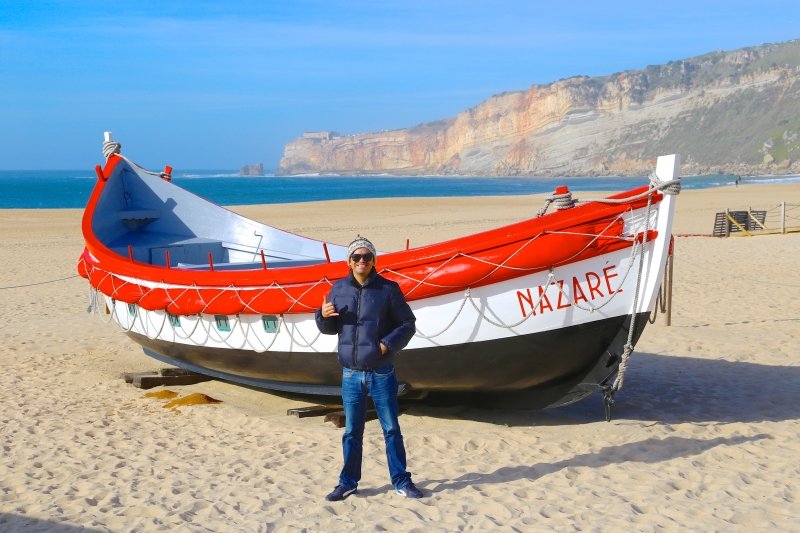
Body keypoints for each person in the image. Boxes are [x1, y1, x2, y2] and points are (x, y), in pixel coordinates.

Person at [315, 236, 423, 501]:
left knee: (391, 429)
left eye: (367, 257)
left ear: (374, 260)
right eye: (356, 257)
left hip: (381, 372)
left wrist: (386, 346)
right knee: (352, 432)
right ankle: (348, 482)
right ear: (349, 261)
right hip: (350, 374)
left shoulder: (388, 289)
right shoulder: (338, 289)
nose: (362, 261)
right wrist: (322, 317)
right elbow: (330, 329)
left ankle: (401, 481)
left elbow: (407, 324)